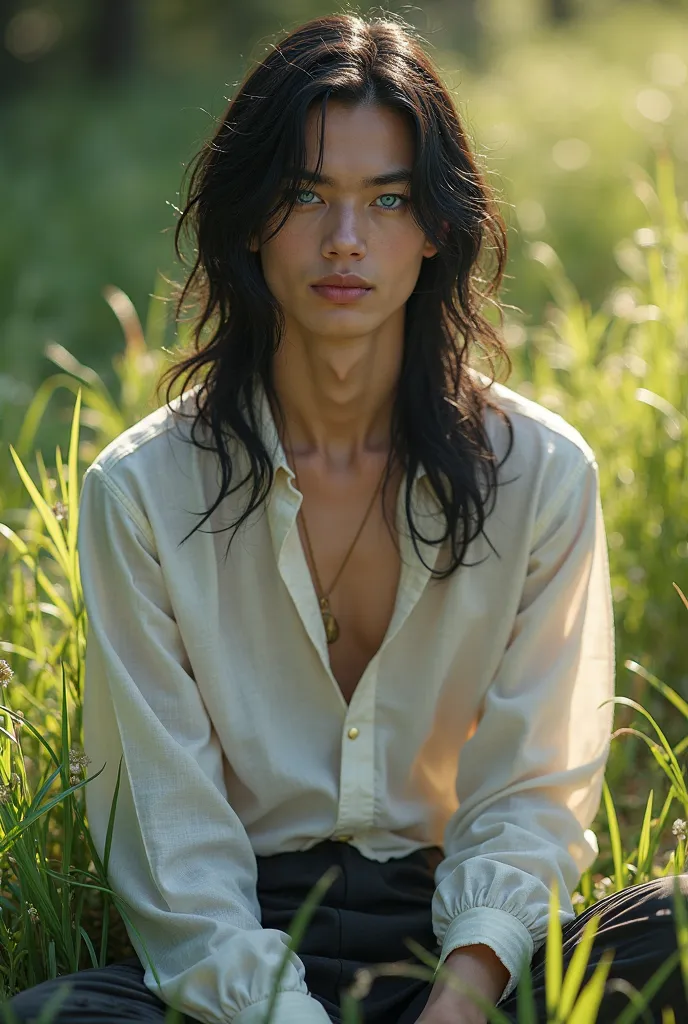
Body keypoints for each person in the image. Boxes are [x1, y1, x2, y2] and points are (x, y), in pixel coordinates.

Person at [4, 11, 687, 1024]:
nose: (345, 240)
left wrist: (456, 1006)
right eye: (304, 196)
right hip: (245, 945)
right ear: (249, 219)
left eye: (387, 199)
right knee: (51, 1017)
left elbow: (529, 800)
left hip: (459, 941)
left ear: (436, 227)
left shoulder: (538, 474)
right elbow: (177, 857)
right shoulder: (141, 491)